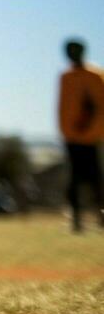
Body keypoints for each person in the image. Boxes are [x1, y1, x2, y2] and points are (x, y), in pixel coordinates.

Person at [58, 38, 104, 233]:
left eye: (75, 50)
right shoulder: (66, 76)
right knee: (75, 179)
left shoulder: (95, 75)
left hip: (93, 137)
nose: (71, 54)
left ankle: (101, 215)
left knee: (96, 178)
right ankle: (76, 220)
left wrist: (88, 123)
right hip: (71, 137)